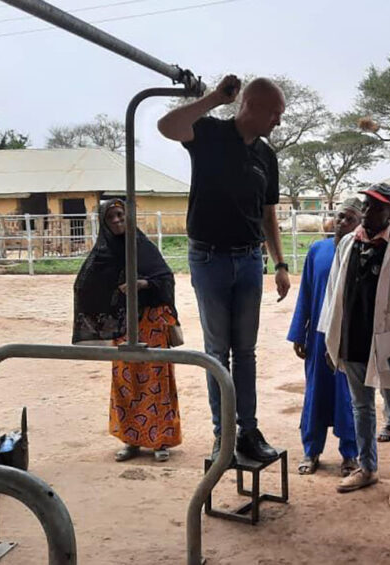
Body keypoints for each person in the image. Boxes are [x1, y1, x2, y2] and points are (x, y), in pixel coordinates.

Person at [158, 75, 290, 463]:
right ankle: (223, 436)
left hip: (250, 260)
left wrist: (280, 263)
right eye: (275, 114)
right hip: (210, 258)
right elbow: (167, 126)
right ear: (249, 106)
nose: (278, 122)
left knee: (245, 352)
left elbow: (269, 214)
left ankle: (247, 430)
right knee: (217, 352)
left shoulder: (266, 156)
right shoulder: (209, 133)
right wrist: (214, 97)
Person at [318, 183, 390, 509]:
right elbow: (333, 294)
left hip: (389, 344)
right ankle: (367, 468)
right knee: (360, 407)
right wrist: (329, 338)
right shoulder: (349, 243)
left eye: (377, 208)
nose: (368, 212)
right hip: (352, 339)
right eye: (366, 206)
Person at [72, 199, 181, 463]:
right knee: (126, 383)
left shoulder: (142, 246)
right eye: (112, 218)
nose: (118, 221)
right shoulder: (103, 254)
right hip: (123, 326)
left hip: (151, 323)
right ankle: (131, 440)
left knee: (156, 383)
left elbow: (165, 278)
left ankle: (160, 441)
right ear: (104, 223)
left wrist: (142, 283)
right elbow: (84, 287)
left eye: (121, 215)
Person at [287, 198, 362, 476]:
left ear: (360, 223)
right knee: (316, 391)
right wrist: (299, 333)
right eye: (340, 217)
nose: (343, 223)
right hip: (318, 338)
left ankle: (350, 454)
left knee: (348, 394)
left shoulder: (363, 252)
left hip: (349, 338)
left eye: (350, 218)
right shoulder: (317, 250)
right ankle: (312, 450)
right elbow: (305, 293)